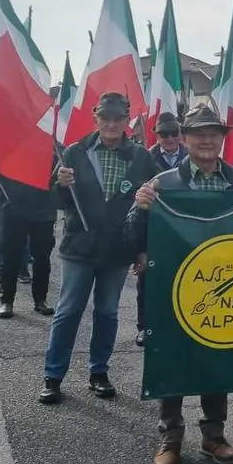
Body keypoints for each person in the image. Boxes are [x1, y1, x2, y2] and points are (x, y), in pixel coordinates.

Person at [129, 104, 233, 464]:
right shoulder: (164, 183)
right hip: (176, 286)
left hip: (224, 286)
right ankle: (171, 438)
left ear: (222, 139)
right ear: (186, 138)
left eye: (214, 133)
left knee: (218, 356)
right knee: (172, 357)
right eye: (198, 133)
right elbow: (132, 233)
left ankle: (214, 435)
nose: (207, 139)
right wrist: (141, 208)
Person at [38, 92, 155, 405]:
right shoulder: (75, 152)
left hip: (118, 249)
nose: (112, 123)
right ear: (96, 117)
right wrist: (58, 183)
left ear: (126, 120)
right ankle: (53, 376)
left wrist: (142, 249)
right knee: (68, 311)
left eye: (118, 118)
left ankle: (99, 373)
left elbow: (150, 208)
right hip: (79, 246)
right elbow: (59, 202)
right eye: (106, 117)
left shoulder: (142, 157)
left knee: (107, 312)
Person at [135, 112, 188, 347]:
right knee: (147, 283)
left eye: (173, 133)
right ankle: (144, 326)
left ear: (181, 135)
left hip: (184, 230)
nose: (169, 138)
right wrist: (139, 247)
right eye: (163, 134)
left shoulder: (192, 156)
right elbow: (135, 204)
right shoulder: (144, 159)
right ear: (156, 135)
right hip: (154, 229)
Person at [0, 174, 57, 320]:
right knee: (11, 255)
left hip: (44, 209)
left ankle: (40, 299)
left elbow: (59, 182)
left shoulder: (54, 152)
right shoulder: (10, 153)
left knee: (42, 258)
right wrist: (3, 200)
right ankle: (7, 300)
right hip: (13, 206)